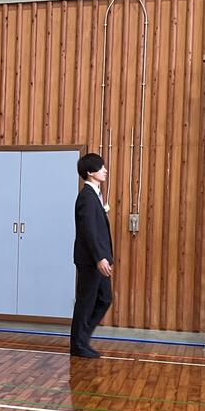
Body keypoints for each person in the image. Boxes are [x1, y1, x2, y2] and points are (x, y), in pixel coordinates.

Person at [70, 153, 114, 358]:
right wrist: (99, 258)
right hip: (91, 261)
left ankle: (82, 339)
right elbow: (88, 230)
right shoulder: (87, 197)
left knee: (105, 298)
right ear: (90, 172)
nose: (105, 170)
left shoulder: (95, 195)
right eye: (101, 167)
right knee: (86, 301)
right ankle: (78, 344)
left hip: (99, 258)